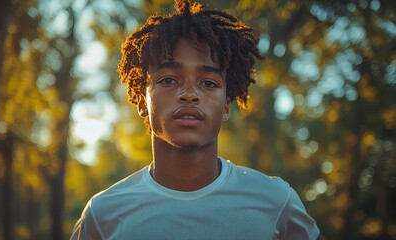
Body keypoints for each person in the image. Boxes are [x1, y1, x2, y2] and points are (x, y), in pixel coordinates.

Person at [71, 0, 325, 239]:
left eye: (208, 83)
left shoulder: (276, 202)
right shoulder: (102, 214)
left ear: (226, 106)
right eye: (168, 80)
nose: (189, 94)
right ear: (141, 101)